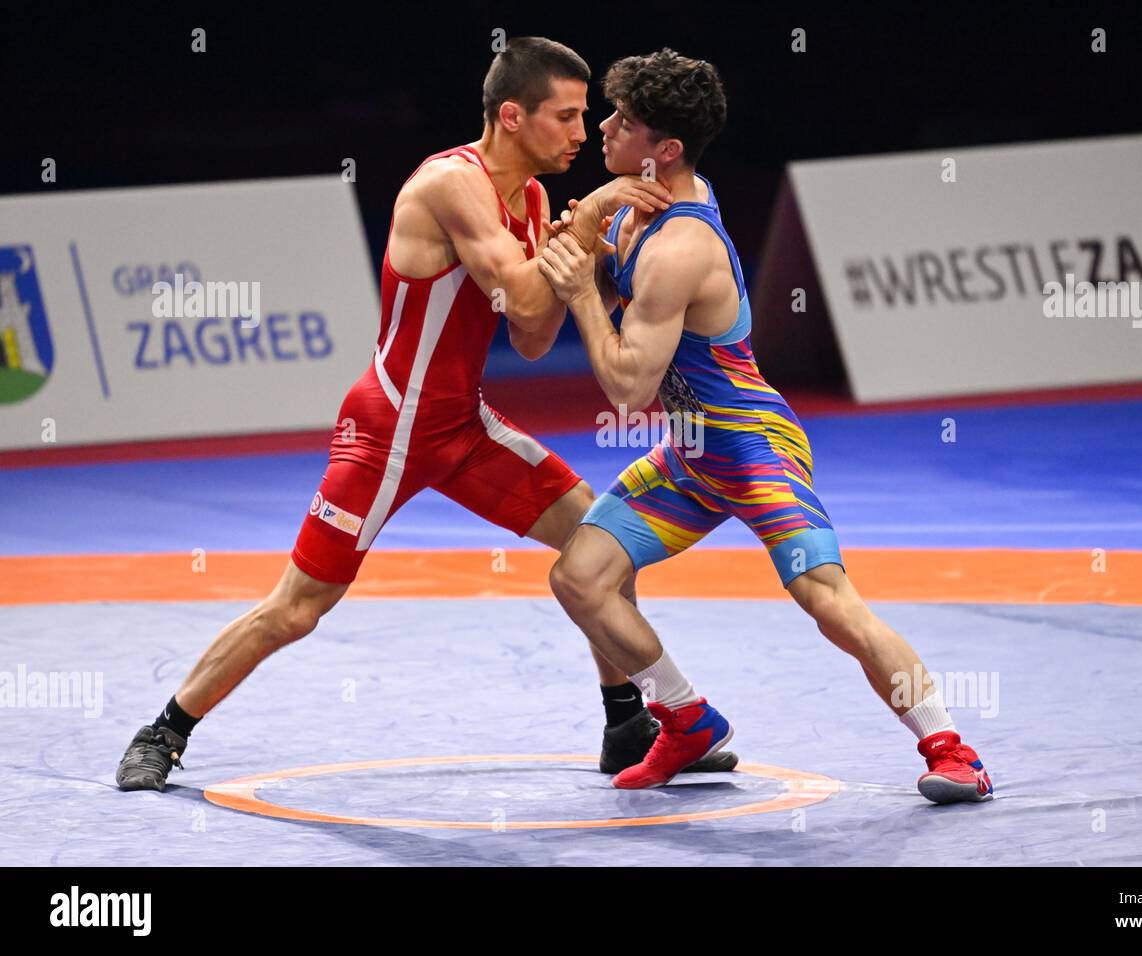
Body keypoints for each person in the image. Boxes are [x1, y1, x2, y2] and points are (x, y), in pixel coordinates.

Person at [115, 37, 736, 793]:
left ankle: (626, 723)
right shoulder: (451, 184)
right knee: (299, 606)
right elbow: (522, 289)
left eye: (585, 118)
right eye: (567, 116)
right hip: (388, 430)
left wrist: (582, 256)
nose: (583, 133)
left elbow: (532, 337)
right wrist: (594, 217)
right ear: (513, 116)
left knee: (595, 548)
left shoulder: (534, 199)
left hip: (463, 427)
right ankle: (165, 731)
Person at [538, 49, 993, 802]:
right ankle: (686, 720)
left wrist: (584, 292)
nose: (605, 128)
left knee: (826, 598)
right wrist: (591, 216)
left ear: (668, 149)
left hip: (753, 447)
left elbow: (625, 388)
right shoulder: (641, 198)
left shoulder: (680, 248)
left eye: (624, 121)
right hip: (690, 455)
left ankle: (952, 749)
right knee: (580, 579)